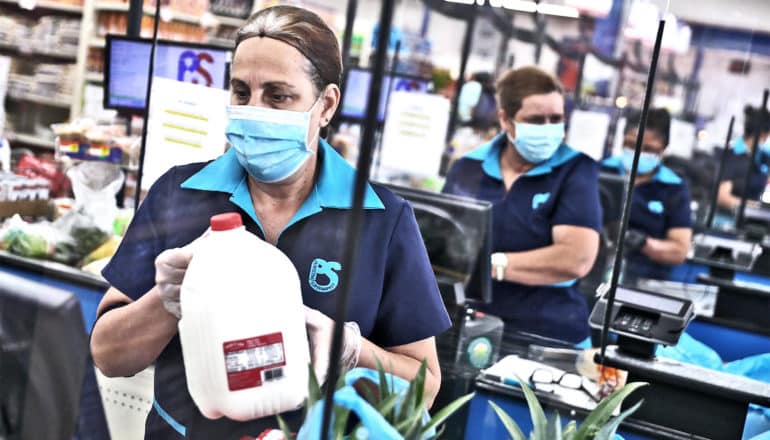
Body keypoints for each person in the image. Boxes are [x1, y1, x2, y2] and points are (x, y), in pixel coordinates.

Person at [90, 6, 451, 438]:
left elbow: (425, 387)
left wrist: (351, 350)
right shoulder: (179, 194)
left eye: (278, 96)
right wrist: (167, 302)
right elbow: (108, 355)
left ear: (326, 105)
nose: (253, 110)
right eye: (241, 92)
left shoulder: (381, 220)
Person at [442, 66, 601, 345]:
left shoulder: (575, 170)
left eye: (556, 119)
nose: (549, 129)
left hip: (549, 333)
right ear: (506, 120)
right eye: (536, 120)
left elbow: (577, 257)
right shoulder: (468, 167)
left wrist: (491, 266)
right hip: (472, 327)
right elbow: (442, 241)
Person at [600, 108, 692, 282]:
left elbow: (679, 252)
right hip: (594, 272)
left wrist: (643, 243)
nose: (638, 153)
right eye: (631, 145)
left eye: (648, 149)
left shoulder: (674, 188)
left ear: (663, 149)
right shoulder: (600, 172)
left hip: (645, 278)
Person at [717, 105, 770, 213]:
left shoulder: (763, 158)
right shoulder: (732, 157)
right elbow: (722, 197)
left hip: (752, 220)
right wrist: (753, 207)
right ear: (763, 134)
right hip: (727, 219)